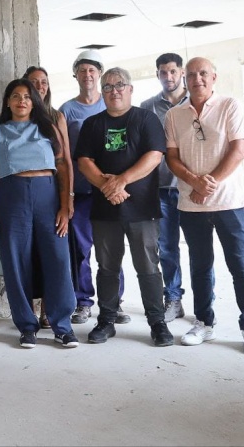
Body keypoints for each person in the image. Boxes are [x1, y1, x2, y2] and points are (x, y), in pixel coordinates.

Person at [164, 57, 244, 354]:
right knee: (200, 267)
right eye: (192, 74)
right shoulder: (174, 114)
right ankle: (204, 324)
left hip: (229, 203)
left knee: (240, 266)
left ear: (214, 77)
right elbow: (171, 156)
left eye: (203, 73)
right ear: (185, 79)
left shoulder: (229, 106)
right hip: (191, 204)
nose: (198, 79)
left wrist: (208, 183)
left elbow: (239, 149)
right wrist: (194, 182)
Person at [75, 68, 174, 347]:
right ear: (101, 92)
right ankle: (106, 320)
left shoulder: (146, 119)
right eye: (107, 86)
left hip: (142, 208)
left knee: (148, 266)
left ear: (130, 89)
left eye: (120, 85)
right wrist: (108, 187)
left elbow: (155, 155)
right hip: (105, 209)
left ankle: (157, 322)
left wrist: (121, 181)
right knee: (107, 267)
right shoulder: (93, 124)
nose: (114, 90)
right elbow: (84, 161)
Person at [0, 79, 78, 349]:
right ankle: (26, 326)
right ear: (8, 102)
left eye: (26, 96)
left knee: (57, 258)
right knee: (15, 261)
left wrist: (64, 205)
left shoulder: (48, 128)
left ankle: (63, 326)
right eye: (15, 96)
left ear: (34, 100)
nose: (21, 101)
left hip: (47, 196)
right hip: (10, 196)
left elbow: (62, 166)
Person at [59, 50, 128, 325]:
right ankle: (83, 301)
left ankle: (114, 303)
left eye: (92, 70)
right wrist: (69, 194)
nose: (87, 75)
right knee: (81, 251)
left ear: (99, 75)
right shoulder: (67, 110)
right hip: (83, 193)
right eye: (82, 70)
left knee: (111, 250)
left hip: (110, 193)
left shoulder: (111, 105)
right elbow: (64, 156)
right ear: (75, 74)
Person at [139, 53, 192, 322]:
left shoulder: (196, 103)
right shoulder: (147, 107)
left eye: (173, 71)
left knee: (199, 248)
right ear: (157, 74)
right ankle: (173, 297)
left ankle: (205, 303)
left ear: (181, 72)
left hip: (191, 189)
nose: (168, 77)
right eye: (163, 72)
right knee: (167, 247)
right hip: (160, 190)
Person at [22, 66, 73, 330]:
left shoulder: (56, 117)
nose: (40, 86)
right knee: (26, 256)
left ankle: (48, 311)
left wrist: (68, 201)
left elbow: (65, 162)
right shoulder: (15, 118)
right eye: (34, 82)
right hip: (21, 199)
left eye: (44, 82)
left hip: (50, 195)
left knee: (51, 256)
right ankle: (27, 311)